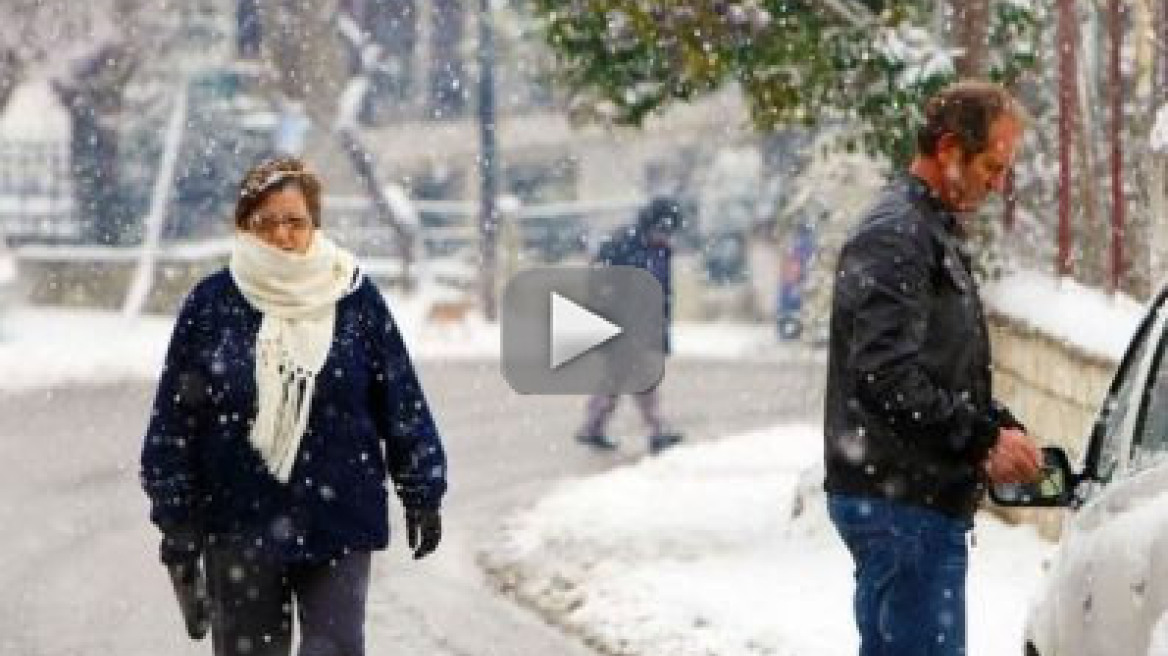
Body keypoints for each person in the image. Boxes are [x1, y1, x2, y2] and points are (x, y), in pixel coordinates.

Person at [140, 156, 447, 656]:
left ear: (315, 225)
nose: (282, 236)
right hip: (239, 524)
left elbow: (400, 400)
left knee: (336, 647)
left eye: (295, 222)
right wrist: (176, 520)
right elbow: (173, 424)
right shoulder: (213, 305)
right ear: (243, 227)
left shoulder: (355, 299)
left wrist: (423, 488)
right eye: (266, 223)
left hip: (339, 519)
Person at [823, 80, 1042, 656]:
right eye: (992, 167)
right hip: (902, 505)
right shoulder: (898, 236)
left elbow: (939, 368)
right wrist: (980, 438)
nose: (998, 185)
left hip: (911, 500)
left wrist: (997, 425)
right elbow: (885, 376)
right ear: (949, 150)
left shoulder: (925, 230)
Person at [575, 196, 684, 454]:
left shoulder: (660, 251)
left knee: (620, 378)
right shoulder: (622, 246)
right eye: (662, 231)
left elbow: (663, 293)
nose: (666, 237)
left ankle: (594, 426)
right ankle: (655, 429)